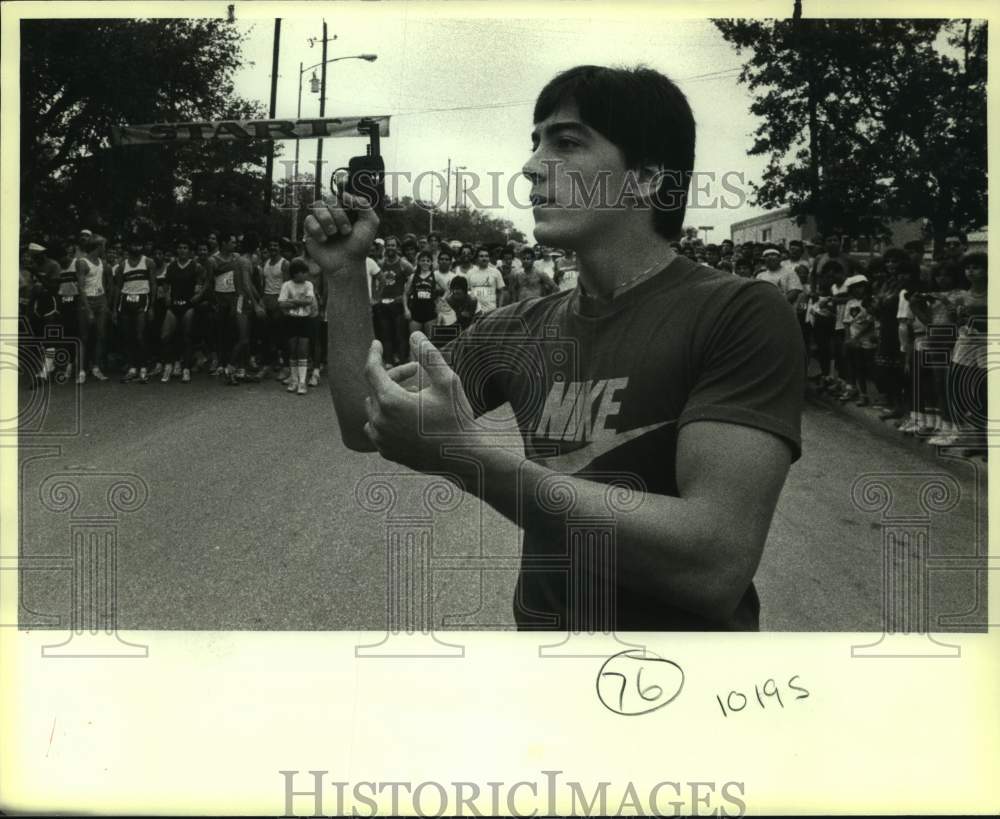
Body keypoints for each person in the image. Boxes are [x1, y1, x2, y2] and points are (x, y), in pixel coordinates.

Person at [305, 64, 803, 632]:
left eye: (566, 142)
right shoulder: (517, 328)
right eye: (535, 142)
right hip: (544, 664)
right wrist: (345, 275)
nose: (531, 166)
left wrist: (466, 456)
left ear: (644, 178)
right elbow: (365, 421)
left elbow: (712, 566)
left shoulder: (737, 313)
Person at [947, 251, 988, 453]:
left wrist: (972, 320)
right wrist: (955, 316)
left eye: (977, 267)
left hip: (987, 345)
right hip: (965, 342)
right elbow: (956, 321)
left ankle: (984, 444)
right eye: (968, 267)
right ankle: (974, 435)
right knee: (957, 385)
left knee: (985, 393)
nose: (971, 272)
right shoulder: (962, 295)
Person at [113, 233, 157, 383]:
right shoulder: (122, 265)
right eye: (133, 245)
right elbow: (118, 287)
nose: (136, 247)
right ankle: (132, 367)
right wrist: (114, 309)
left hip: (142, 299)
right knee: (128, 336)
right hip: (125, 300)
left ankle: (143, 367)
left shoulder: (148, 262)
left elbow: (153, 284)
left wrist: (151, 306)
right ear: (129, 247)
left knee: (140, 335)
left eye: (138, 245)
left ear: (142, 247)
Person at [160, 239, 205, 383]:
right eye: (180, 247)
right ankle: (169, 365)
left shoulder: (195, 266)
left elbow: (200, 285)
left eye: (185, 247)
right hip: (174, 305)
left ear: (189, 251)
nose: (182, 250)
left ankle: (186, 369)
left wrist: (196, 296)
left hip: (188, 305)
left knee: (187, 336)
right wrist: (167, 296)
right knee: (165, 336)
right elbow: (167, 284)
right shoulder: (172, 266)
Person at [278, 258, 319, 395]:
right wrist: (298, 302)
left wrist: (293, 301)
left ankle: (302, 382)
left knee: (303, 350)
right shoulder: (286, 285)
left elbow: (309, 300)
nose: (306, 275)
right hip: (291, 320)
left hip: (305, 320)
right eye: (303, 272)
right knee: (293, 351)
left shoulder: (308, 285)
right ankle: (294, 380)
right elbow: (281, 304)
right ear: (295, 274)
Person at [75, 233, 112, 382]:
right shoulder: (82, 262)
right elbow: (81, 287)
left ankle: (96, 368)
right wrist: (88, 309)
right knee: (84, 336)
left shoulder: (103, 263)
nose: (105, 249)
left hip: (100, 300)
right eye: (103, 246)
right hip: (87, 301)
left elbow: (106, 283)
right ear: (97, 247)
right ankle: (81, 371)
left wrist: (106, 303)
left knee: (100, 335)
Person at [371, 236, 412, 366]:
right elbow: (374, 281)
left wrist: (405, 297)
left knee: (400, 335)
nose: (390, 248)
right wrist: (376, 298)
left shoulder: (404, 264)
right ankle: (388, 361)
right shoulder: (380, 264)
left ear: (397, 248)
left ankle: (402, 361)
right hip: (383, 304)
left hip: (398, 304)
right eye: (388, 245)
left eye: (393, 245)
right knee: (386, 334)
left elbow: (411, 282)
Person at [841, 274, 877, 407]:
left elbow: (870, 323)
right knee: (856, 366)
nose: (858, 290)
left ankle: (876, 395)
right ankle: (862, 394)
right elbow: (846, 322)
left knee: (868, 366)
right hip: (853, 338)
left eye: (861, 287)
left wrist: (857, 338)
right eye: (855, 287)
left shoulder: (870, 301)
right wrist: (848, 339)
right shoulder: (850, 303)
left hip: (867, 338)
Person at [260, 238, 290, 377]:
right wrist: (262, 301)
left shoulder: (284, 263)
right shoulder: (265, 262)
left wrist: (281, 303)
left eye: (275, 245)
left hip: (279, 302)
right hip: (267, 301)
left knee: (282, 336)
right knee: (266, 336)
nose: (273, 247)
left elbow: (287, 285)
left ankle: (285, 367)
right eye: (271, 245)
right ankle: (268, 365)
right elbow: (264, 284)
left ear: (280, 248)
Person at [404, 250, 445, 336]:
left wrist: (440, 302)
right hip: (415, 312)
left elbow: (447, 290)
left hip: (430, 313)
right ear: (418, 262)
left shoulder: (435, 276)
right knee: (414, 340)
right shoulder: (413, 276)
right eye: (423, 260)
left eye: (428, 261)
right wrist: (406, 309)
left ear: (431, 263)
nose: (425, 263)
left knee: (430, 342)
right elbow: (405, 294)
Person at [465, 247, 505, 314]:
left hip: (491, 311)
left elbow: (501, 292)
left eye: (486, 256)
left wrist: (499, 309)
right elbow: (467, 291)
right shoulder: (470, 273)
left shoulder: (496, 272)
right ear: (477, 258)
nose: (484, 258)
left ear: (489, 258)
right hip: (474, 312)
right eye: (481, 256)